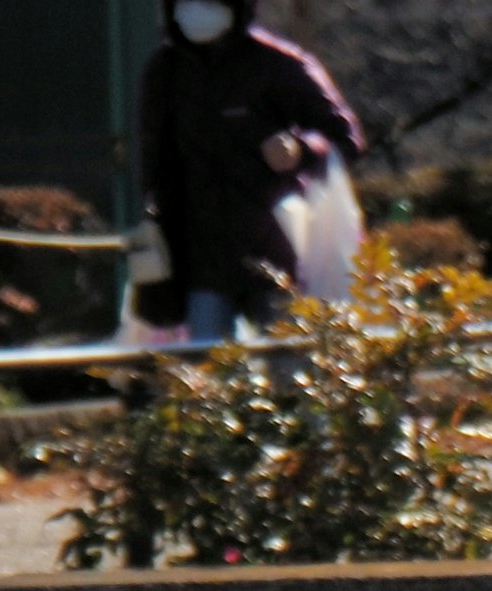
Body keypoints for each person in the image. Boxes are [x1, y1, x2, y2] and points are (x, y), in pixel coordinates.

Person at [137, 0, 364, 343]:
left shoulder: (277, 65)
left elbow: (344, 136)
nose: (195, 10)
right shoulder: (166, 71)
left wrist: (300, 150)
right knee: (206, 373)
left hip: (275, 254)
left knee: (288, 366)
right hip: (201, 261)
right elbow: (155, 160)